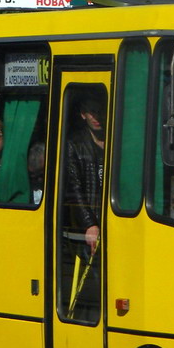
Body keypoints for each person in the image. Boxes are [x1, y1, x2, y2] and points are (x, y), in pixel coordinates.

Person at [64, 92, 105, 253]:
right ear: (83, 115)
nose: (96, 117)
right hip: (87, 228)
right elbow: (74, 188)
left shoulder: (118, 140)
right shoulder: (74, 145)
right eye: (91, 112)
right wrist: (90, 224)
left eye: (100, 111)